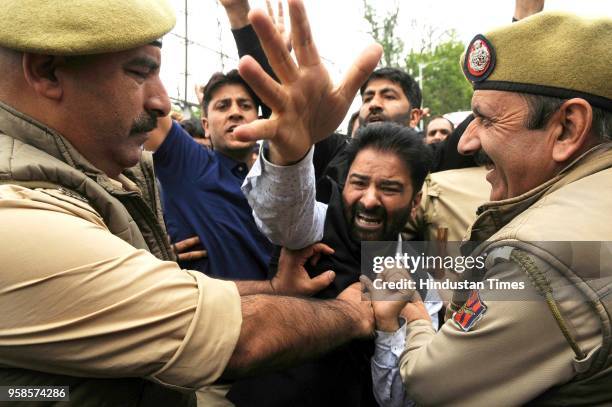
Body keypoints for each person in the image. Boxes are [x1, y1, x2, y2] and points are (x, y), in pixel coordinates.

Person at [0, 0, 382, 404]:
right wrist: (354, 315)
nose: (163, 102)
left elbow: (186, 297)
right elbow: (235, 338)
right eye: (139, 72)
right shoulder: (18, 218)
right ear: (45, 71)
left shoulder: (102, 172)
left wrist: (271, 287)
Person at [368, 11, 612, 406]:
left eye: (486, 119)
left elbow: (432, 386)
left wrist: (413, 316)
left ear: (567, 128)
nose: (466, 143)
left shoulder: (540, 256)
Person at [145, 70, 273, 279]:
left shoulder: (281, 180)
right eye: (223, 106)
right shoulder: (188, 164)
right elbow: (144, 100)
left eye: (245, 105)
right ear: (206, 125)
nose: (235, 112)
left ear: (258, 120)